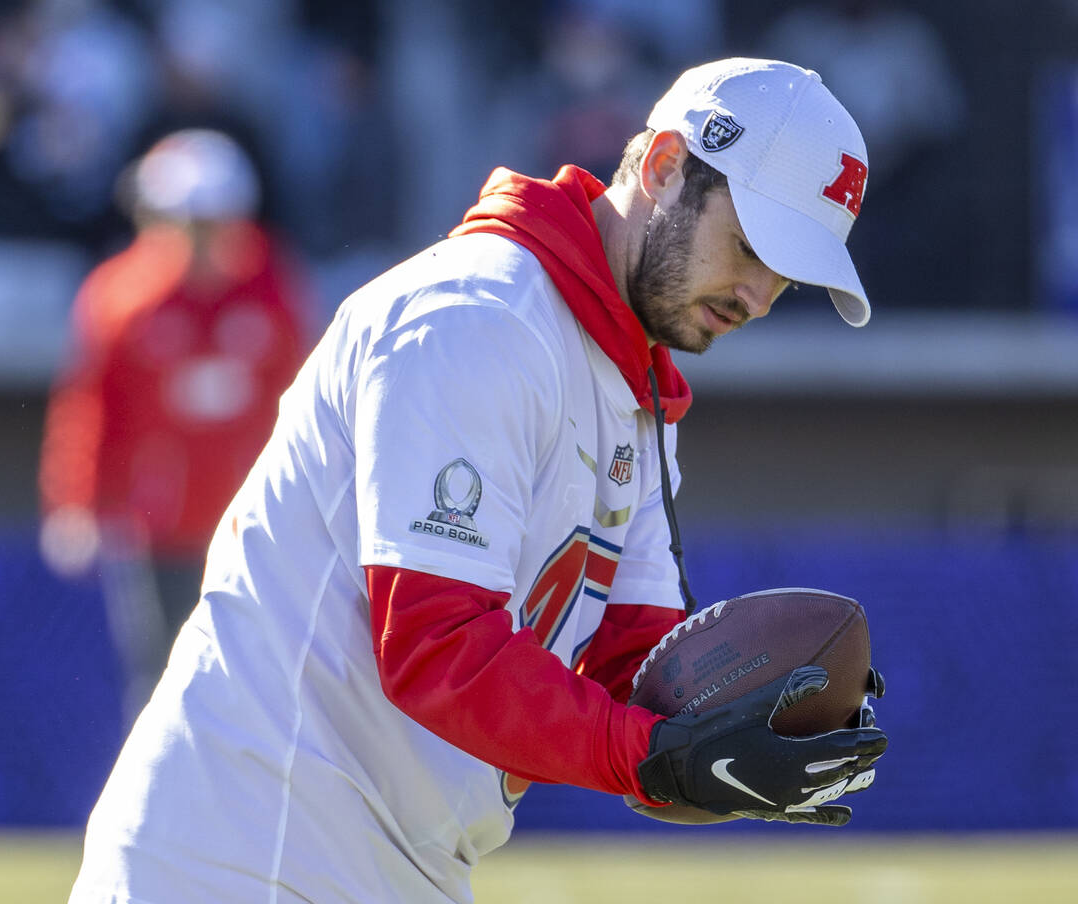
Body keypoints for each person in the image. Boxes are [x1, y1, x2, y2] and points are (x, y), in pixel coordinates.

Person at [68, 58, 889, 903]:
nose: (759, 295)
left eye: (791, 275)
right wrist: (662, 757)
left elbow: (629, 677)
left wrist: (753, 725)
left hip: (380, 862)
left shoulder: (636, 388)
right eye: (751, 246)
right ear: (663, 165)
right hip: (248, 849)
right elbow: (436, 645)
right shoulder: (477, 318)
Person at [38, 129, 312, 720]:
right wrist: (75, 502)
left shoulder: (274, 293)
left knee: (255, 675)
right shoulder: (121, 297)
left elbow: (307, 406)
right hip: (154, 524)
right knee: (160, 677)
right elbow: (90, 409)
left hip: (252, 524)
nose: (194, 244)